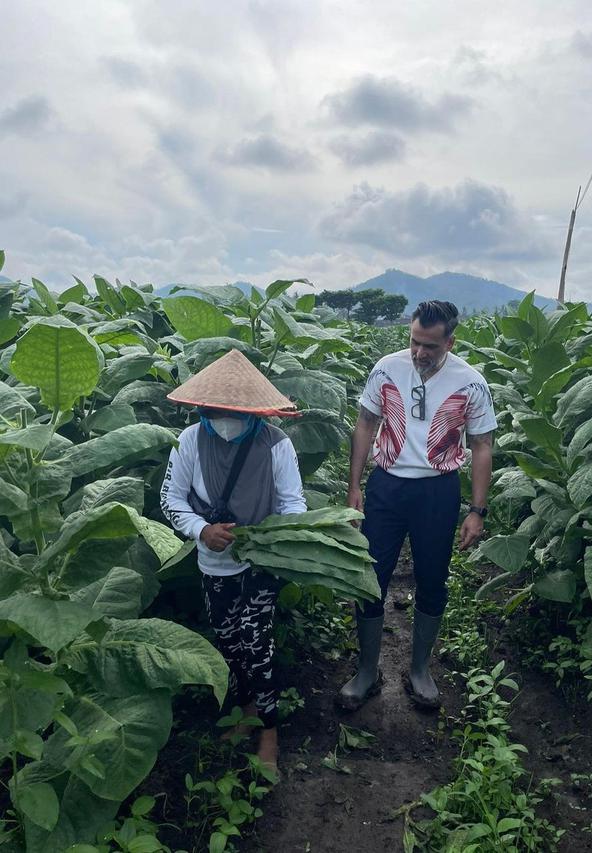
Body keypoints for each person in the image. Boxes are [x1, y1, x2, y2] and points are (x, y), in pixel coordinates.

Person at [337, 300, 497, 712]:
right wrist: (354, 486)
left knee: (432, 579)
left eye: (430, 346)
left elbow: (481, 445)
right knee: (370, 577)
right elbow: (365, 424)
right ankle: (367, 671)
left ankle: (420, 669)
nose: (419, 353)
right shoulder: (386, 368)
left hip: (437, 491)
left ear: (450, 342)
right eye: (414, 342)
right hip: (386, 487)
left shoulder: (471, 383)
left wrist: (477, 510)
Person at [161, 349, 306, 771]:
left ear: (253, 411)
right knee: (226, 638)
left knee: (255, 639)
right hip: (213, 559)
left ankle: (270, 732)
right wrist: (202, 530)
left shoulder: (277, 445)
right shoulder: (189, 441)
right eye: (214, 409)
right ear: (202, 408)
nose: (223, 417)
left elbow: (292, 503)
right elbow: (170, 500)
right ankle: (246, 711)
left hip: (262, 560)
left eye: (232, 410)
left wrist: (269, 537)